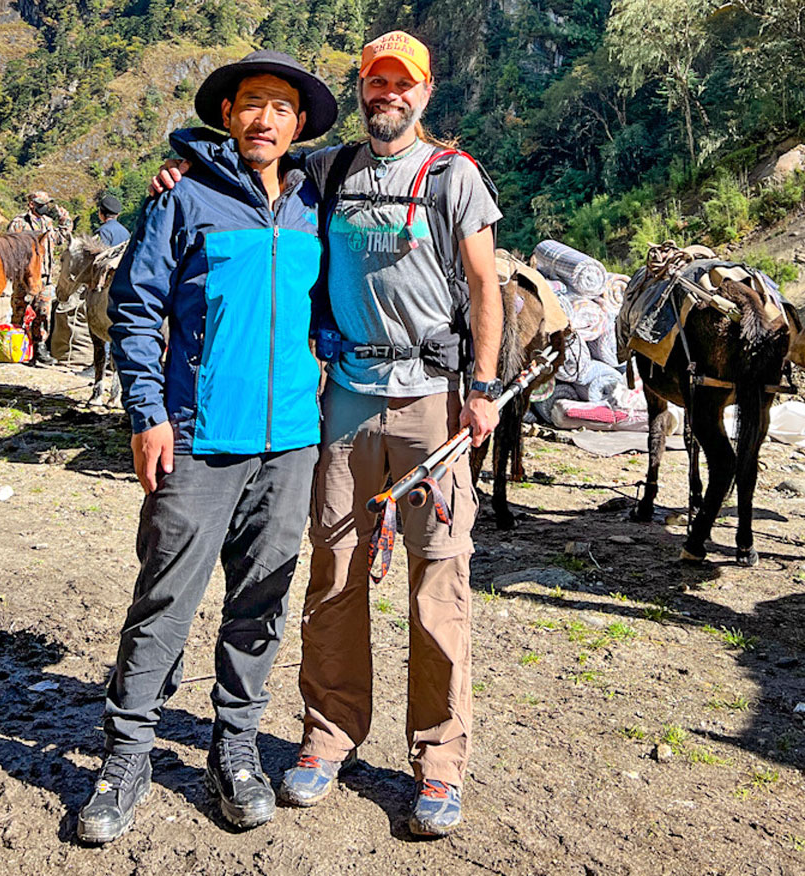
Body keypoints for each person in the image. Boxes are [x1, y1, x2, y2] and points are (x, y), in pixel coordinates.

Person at [151, 30, 503, 838]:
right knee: (335, 574)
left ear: (425, 91)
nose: (388, 94)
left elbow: (485, 283)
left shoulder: (454, 176)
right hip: (343, 401)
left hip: (431, 406)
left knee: (437, 584)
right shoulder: (331, 170)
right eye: (375, 81)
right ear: (362, 88)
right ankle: (326, 738)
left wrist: (482, 390)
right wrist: (174, 174)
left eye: (402, 83)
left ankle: (439, 760)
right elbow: (245, 171)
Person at [75, 50, 338, 844]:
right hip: (195, 439)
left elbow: (321, 303)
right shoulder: (182, 198)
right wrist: (146, 412)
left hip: (291, 443)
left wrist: (323, 351)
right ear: (228, 115)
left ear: (298, 127)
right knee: (164, 601)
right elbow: (135, 308)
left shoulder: (311, 205)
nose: (265, 118)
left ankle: (235, 747)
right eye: (252, 104)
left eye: (281, 108)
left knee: (260, 604)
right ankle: (126, 757)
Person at [7, 191, 72, 364]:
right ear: (31, 204)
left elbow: (60, 239)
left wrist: (65, 221)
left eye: (47, 203)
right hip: (24, 278)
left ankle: (39, 347)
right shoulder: (18, 224)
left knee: (43, 313)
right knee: (19, 310)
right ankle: (16, 345)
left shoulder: (48, 223)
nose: (46, 207)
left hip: (45, 278)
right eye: (42, 203)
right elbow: (10, 248)